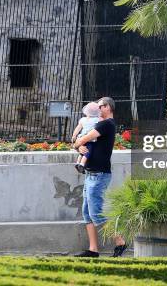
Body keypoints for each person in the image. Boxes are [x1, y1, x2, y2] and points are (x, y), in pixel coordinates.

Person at [73, 97, 127, 258]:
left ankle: (120, 242)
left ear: (108, 107)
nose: (97, 109)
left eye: (100, 106)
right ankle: (93, 250)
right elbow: (80, 143)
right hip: (90, 174)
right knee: (87, 213)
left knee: (96, 213)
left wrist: (78, 143)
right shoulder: (99, 124)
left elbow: (83, 139)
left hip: (99, 176)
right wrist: (78, 145)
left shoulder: (106, 124)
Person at [71, 102, 101, 174]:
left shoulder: (82, 119)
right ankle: (82, 164)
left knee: (82, 151)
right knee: (87, 151)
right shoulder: (97, 120)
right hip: (90, 138)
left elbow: (78, 128)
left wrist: (74, 136)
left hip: (81, 137)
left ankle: (78, 163)